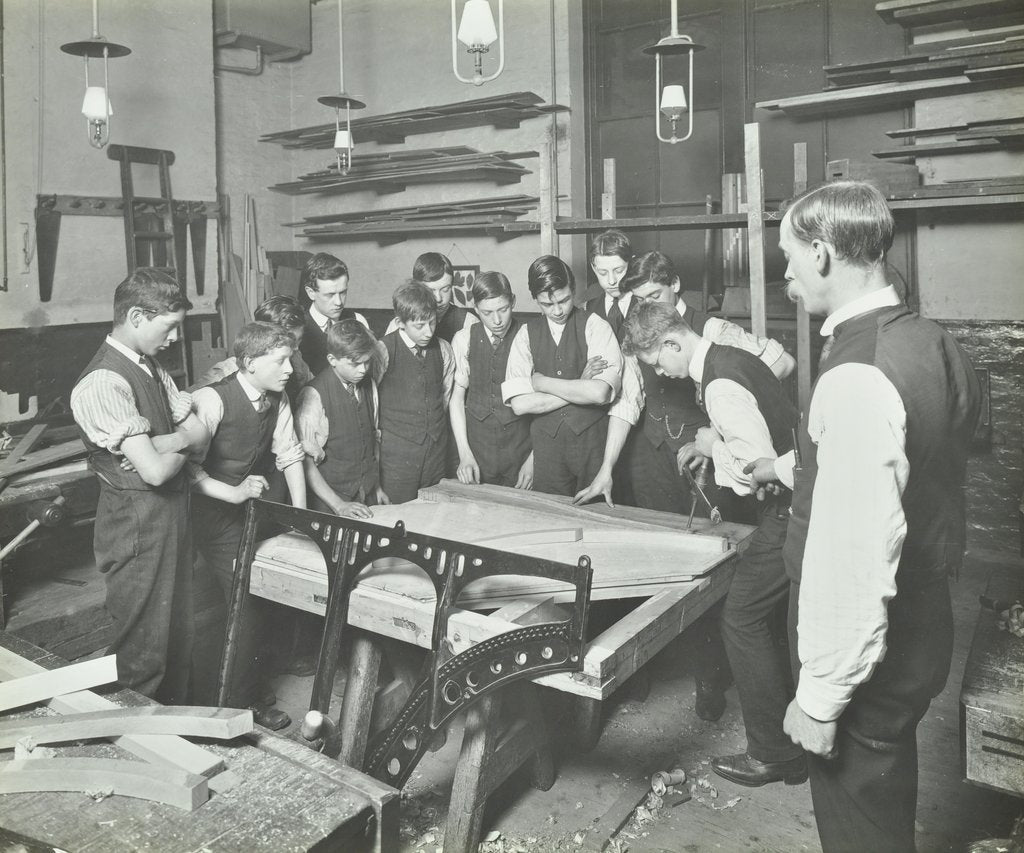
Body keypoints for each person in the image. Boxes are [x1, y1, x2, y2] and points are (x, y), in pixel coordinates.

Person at [744, 180, 980, 852]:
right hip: (921, 624)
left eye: (788, 255)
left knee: (861, 830)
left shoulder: (854, 375)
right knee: (884, 801)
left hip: (868, 661)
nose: (785, 272)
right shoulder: (930, 340)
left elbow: (856, 552)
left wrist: (819, 698)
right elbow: (961, 439)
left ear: (822, 253)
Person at [620, 301, 805, 786]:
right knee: (759, 617)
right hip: (792, 506)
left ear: (673, 343)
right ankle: (785, 742)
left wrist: (708, 444)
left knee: (741, 618)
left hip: (788, 512)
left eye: (660, 362)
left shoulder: (720, 384)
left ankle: (774, 752)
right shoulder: (731, 356)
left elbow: (754, 470)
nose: (662, 372)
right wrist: (714, 446)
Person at [70, 268, 208, 702]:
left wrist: (172, 440)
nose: (174, 340)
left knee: (179, 641)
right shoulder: (104, 382)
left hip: (171, 520)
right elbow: (155, 472)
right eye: (168, 328)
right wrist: (181, 441)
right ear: (135, 316)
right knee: (143, 654)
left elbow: (202, 434)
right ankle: (138, 748)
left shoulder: (149, 366)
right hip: (136, 531)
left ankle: (178, 742)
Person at [190, 321, 307, 730]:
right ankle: (240, 704)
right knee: (246, 604)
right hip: (208, 517)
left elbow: (290, 455)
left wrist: (300, 518)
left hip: (248, 515)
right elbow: (184, 469)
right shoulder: (211, 400)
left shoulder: (277, 397)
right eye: (280, 361)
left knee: (259, 600)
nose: (290, 368)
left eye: (289, 358)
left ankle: (243, 685)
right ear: (249, 363)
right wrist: (234, 493)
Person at [502, 255, 623, 497]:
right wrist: (580, 383)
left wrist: (542, 383)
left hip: (593, 447)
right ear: (535, 299)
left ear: (574, 290)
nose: (557, 310)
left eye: (564, 300)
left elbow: (600, 393)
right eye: (547, 304)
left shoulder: (596, 326)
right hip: (546, 452)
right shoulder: (526, 334)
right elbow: (520, 404)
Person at [297, 318, 390, 518]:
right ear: (332, 360)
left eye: (367, 362)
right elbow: (306, 463)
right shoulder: (314, 395)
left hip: (367, 495)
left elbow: (373, 439)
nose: (363, 370)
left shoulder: (369, 385)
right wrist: (339, 505)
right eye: (355, 364)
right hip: (330, 502)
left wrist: (377, 487)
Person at [449, 271, 533, 489]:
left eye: (503, 310)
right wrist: (465, 455)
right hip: (478, 453)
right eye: (487, 313)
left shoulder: (529, 336)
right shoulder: (464, 339)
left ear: (513, 301)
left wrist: (535, 460)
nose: (497, 320)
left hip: (520, 452)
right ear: (476, 309)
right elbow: (456, 400)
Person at [377, 280, 455, 504]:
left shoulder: (443, 349)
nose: (428, 332)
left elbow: (445, 397)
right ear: (400, 323)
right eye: (420, 326)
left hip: (436, 456)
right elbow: (371, 404)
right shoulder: (382, 350)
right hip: (397, 460)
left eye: (432, 322)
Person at [196, 295, 313, 399]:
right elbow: (189, 401)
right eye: (292, 341)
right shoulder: (226, 371)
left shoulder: (296, 359)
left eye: (299, 340)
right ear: (264, 334)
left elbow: (313, 385)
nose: (296, 348)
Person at [300, 252, 371, 375]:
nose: (338, 302)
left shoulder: (358, 320)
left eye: (343, 293)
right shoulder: (299, 329)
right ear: (310, 292)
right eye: (330, 295)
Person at [385, 252, 477, 343]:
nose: (438, 299)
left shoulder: (469, 323)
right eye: (430, 291)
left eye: (445, 289)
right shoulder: (399, 325)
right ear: (416, 288)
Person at [584, 229, 637, 343]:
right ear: (593, 268)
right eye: (603, 273)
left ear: (631, 263)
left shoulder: (646, 304)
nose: (611, 281)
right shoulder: (587, 309)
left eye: (618, 270)